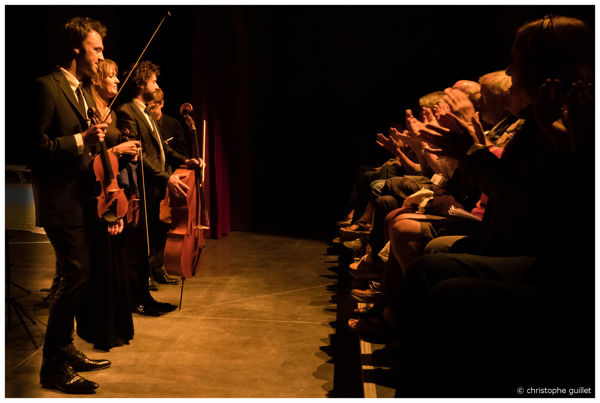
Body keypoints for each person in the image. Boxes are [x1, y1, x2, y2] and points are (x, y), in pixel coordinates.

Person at [29, 17, 115, 394]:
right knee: (75, 274)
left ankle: (65, 349)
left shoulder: (80, 92)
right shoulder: (46, 88)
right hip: (59, 201)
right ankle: (52, 368)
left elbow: (90, 143)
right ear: (77, 48)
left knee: (79, 274)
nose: (101, 56)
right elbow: (35, 148)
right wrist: (81, 139)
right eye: (96, 49)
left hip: (81, 199)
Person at [116, 60, 202, 316]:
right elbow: (140, 154)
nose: (157, 84)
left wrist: (185, 161)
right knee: (139, 248)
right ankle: (139, 300)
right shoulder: (127, 111)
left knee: (149, 244)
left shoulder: (145, 112)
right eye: (153, 80)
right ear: (141, 83)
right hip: (141, 189)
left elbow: (162, 148)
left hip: (154, 189)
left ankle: (144, 297)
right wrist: (166, 177)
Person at [76, 59, 140, 351]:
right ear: (97, 80)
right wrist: (115, 149)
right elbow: (85, 159)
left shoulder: (113, 115)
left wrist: (129, 154)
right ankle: (98, 330)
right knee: (99, 264)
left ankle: (118, 327)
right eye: (111, 76)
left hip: (116, 190)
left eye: (117, 77)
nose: (117, 81)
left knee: (118, 263)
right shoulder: (87, 113)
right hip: (94, 196)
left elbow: (114, 157)